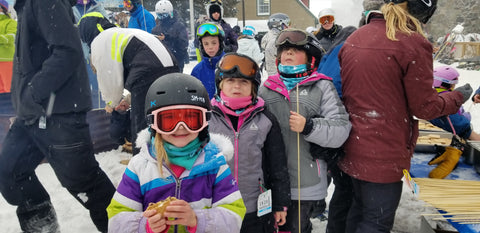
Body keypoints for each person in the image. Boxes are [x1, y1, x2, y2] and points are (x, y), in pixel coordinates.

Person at [337, 0, 473, 232]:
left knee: (358, 212)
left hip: (351, 144)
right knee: (375, 222)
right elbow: (424, 108)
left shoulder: (357, 37)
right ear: (423, 13)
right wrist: (457, 97)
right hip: (383, 151)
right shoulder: (412, 43)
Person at [0, 0, 116, 232]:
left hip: (59, 112)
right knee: (10, 171)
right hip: (32, 115)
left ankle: (126, 227)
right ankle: (43, 228)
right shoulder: (25, 5)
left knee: (86, 185)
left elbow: (68, 50)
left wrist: (34, 93)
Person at [106, 72, 246, 233]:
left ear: (204, 122)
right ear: (153, 124)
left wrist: (197, 220)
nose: (180, 127)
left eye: (191, 119)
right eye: (169, 120)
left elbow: (234, 216)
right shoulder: (140, 167)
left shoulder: (214, 165)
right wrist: (145, 226)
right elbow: (116, 220)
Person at [259, 28, 351, 233]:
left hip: (305, 182)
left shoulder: (322, 87)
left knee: (296, 227)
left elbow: (342, 128)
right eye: (284, 50)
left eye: (295, 50)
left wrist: (310, 126)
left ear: (311, 58)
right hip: (271, 181)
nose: (288, 53)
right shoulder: (265, 89)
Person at [208, 53, 290, 232]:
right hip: (216, 206)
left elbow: (278, 165)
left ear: (253, 87)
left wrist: (280, 203)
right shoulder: (207, 118)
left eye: (244, 82)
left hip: (254, 207)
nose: (237, 85)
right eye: (230, 81)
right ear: (220, 84)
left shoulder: (265, 120)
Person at [78, 13, 179, 154]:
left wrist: (111, 102)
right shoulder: (120, 33)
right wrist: (128, 99)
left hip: (149, 72)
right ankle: (170, 154)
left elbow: (110, 75)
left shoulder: (100, 40)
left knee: (141, 127)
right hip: (171, 66)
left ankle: (141, 165)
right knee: (165, 116)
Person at [72, 0, 108, 109]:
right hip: (77, 53)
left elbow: (105, 26)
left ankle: (100, 107)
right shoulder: (70, 7)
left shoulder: (97, 6)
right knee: (79, 84)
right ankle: (82, 108)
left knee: (98, 84)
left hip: (95, 52)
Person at [152, 0, 189, 73]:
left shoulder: (179, 26)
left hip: (176, 62)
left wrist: (168, 38)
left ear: (170, 13)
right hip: (161, 63)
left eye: (164, 15)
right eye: (159, 15)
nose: (162, 18)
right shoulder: (156, 29)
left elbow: (183, 45)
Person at [191, 23, 225, 99]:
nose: (210, 47)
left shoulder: (229, 65)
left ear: (220, 43)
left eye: (214, 43)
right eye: (206, 44)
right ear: (201, 45)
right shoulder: (197, 70)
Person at [0, 0, 16, 94]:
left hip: (7, 59)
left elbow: (12, 37)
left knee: (9, 88)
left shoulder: (10, 22)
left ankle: (12, 108)